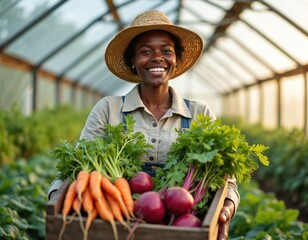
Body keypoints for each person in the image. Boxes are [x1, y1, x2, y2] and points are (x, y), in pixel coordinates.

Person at [48, 10, 239, 240]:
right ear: (133, 61)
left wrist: (225, 211)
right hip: (115, 226)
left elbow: (226, 181)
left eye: (166, 51)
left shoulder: (200, 114)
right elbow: (76, 167)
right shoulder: (108, 109)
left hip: (180, 226)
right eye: (145, 51)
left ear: (176, 59)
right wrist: (55, 199)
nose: (157, 57)